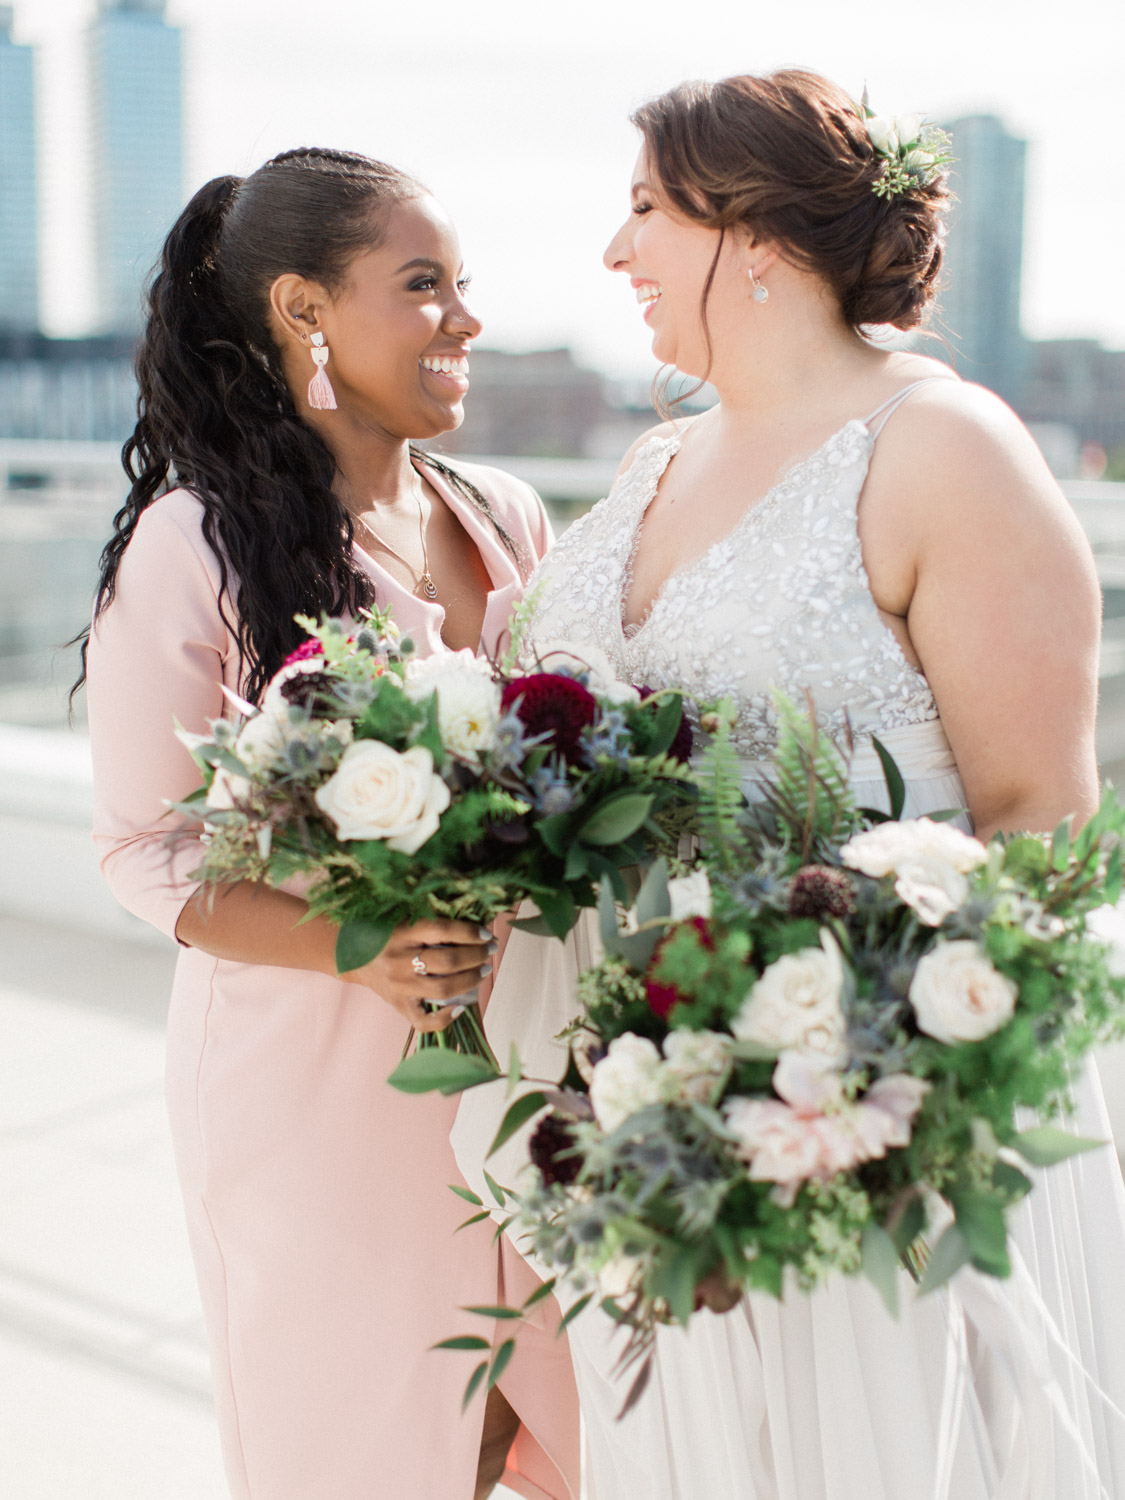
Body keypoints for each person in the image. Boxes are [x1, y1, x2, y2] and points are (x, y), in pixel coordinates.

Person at [453, 72, 1125, 1498]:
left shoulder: (945, 452)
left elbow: (1037, 830)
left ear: (750, 236)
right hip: (648, 1122)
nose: (613, 252)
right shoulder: (649, 459)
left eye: (644, 208)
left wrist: (811, 1060)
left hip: (860, 1111)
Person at [80, 148, 579, 1500]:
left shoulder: (508, 518)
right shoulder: (195, 541)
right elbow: (141, 849)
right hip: (318, 1088)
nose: (465, 319)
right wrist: (356, 949)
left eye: (462, 284)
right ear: (304, 309)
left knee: (582, 1438)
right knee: (366, 1455)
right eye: (423, 287)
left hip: (529, 1053)